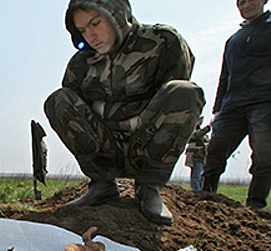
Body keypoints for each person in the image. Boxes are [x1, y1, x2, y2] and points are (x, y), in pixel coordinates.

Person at [44, 0, 205, 225]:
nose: (90, 35)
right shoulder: (81, 63)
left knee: (185, 92)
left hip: (148, 140)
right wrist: (130, 112)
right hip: (106, 145)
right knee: (57, 101)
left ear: (117, 14)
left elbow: (170, 100)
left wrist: (106, 110)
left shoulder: (163, 42)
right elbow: (74, 107)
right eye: (82, 30)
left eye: (96, 23)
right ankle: (102, 185)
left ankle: (149, 188)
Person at [202, 0, 271, 210]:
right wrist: (217, 109)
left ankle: (254, 205)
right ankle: (204, 197)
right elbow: (225, 76)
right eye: (240, 1)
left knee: (264, 155)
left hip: (264, 103)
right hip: (232, 105)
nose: (245, 4)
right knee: (215, 151)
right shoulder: (233, 40)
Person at [184, 117, 211, 191]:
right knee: (196, 177)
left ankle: (200, 191)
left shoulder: (201, 132)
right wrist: (207, 128)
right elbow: (196, 136)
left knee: (201, 177)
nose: (201, 121)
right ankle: (196, 192)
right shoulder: (191, 130)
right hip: (196, 157)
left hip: (202, 157)